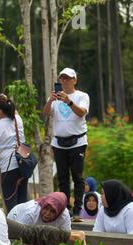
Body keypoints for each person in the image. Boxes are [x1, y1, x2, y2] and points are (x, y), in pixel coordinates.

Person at [43, 67, 90, 218]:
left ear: (75, 80)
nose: (65, 81)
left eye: (68, 78)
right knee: (62, 177)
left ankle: (77, 209)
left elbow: (82, 113)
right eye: (62, 78)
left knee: (77, 176)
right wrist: (50, 101)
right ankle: (65, 209)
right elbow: (45, 113)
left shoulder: (82, 96)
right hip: (59, 142)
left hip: (78, 141)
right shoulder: (55, 99)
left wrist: (69, 102)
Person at [0, 94, 27, 212]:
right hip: (23, 165)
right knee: (22, 202)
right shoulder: (18, 119)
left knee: (11, 204)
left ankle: (14, 229)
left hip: (9, 168)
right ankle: (24, 228)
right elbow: (14, 111)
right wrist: (6, 99)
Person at [8, 192, 72, 231]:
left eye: (52, 211)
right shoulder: (30, 212)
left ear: (59, 212)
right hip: (16, 220)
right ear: (42, 205)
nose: (47, 213)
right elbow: (18, 234)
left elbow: (66, 236)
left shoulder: (64, 215)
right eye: (46, 208)